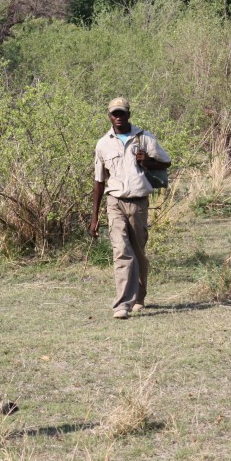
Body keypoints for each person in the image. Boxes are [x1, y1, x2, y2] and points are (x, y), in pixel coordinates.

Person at [89, 97, 171, 319]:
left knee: (138, 252)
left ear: (129, 114)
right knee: (121, 252)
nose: (118, 117)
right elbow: (99, 181)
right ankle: (122, 305)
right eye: (114, 113)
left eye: (122, 113)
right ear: (109, 116)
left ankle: (139, 296)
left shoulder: (144, 137)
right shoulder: (103, 144)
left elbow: (166, 162)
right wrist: (94, 217)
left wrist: (147, 161)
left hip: (138, 202)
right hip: (114, 201)